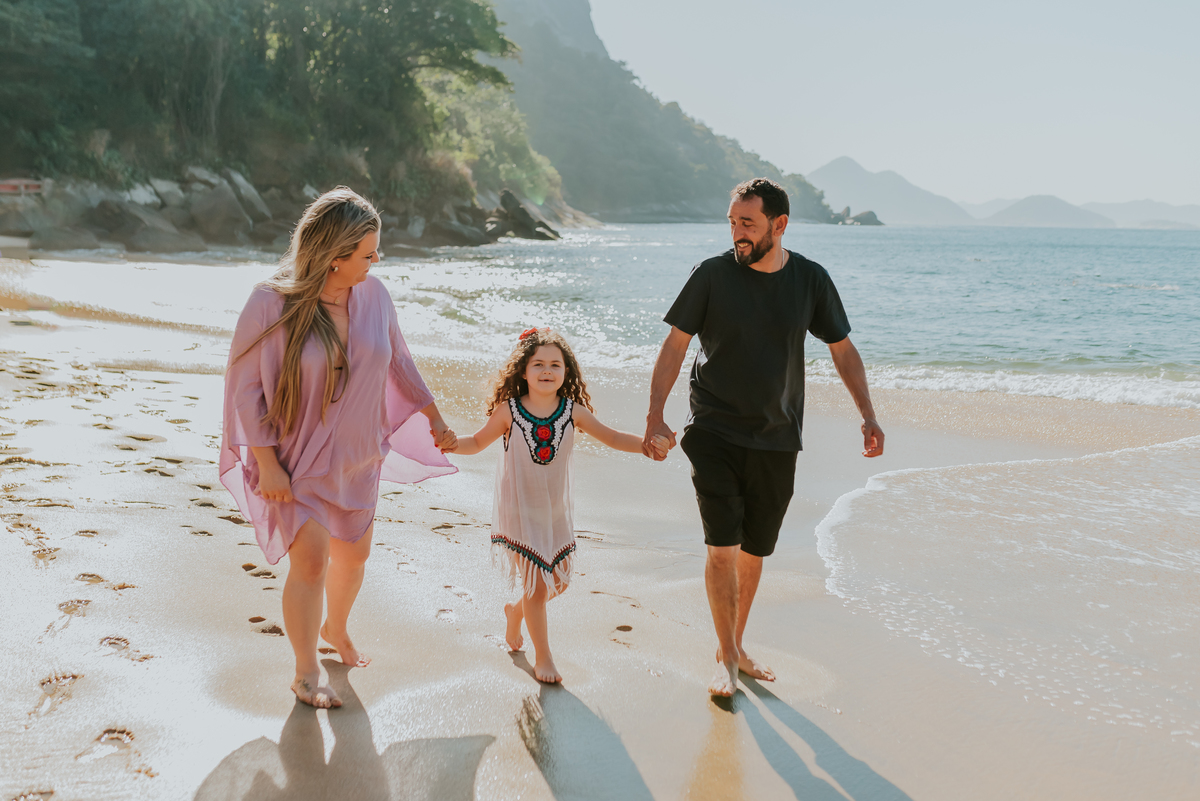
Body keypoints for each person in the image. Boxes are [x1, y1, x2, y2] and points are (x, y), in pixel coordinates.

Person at [643, 178, 884, 697]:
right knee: (723, 548)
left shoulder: (810, 280)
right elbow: (675, 345)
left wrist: (867, 414)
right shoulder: (711, 275)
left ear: (780, 224)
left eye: (747, 223)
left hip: (778, 437)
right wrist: (655, 415)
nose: (738, 234)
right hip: (713, 429)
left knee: (754, 552)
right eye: (732, 222)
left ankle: (732, 643)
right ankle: (727, 659)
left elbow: (842, 349)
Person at [221, 187, 458, 709]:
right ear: (335, 258)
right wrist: (266, 463)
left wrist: (433, 414)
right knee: (310, 562)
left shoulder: (375, 296)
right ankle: (305, 672)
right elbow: (244, 389)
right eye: (369, 253)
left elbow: (399, 359)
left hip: (358, 457)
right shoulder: (270, 302)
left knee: (353, 558)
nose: (377, 261)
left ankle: (336, 626)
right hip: (295, 458)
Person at [448, 328, 668, 683]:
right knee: (536, 587)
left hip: (554, 512)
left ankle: (515, 613)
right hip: (519, 509)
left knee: (558, 583)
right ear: (523, 371)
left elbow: (611, 437)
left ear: (567, 373)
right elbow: (475, 441)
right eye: (538, 364)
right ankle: (544, 657)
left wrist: (645, 446)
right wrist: (447, 443)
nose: (547, 370)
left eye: (555, 364)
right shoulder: (510, 411)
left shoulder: (572, 411)